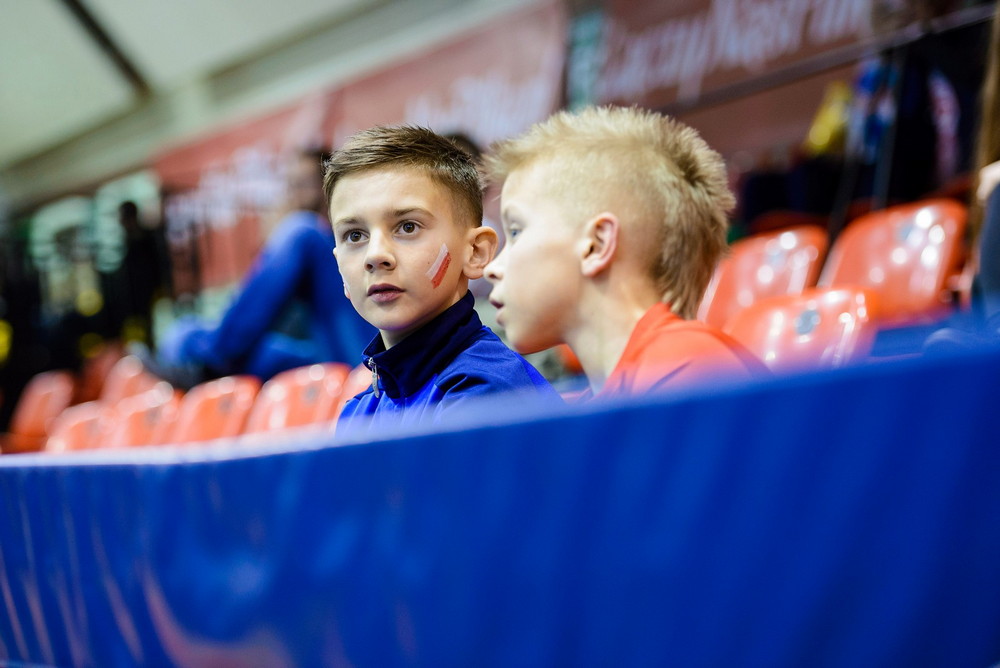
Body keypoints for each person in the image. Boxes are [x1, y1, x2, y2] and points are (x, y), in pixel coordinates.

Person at [483, 106, 767, 398]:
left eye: (515, 231)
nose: (491, 268)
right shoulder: (583, 406)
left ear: (596, 245)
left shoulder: (689, 366)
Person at [323, 125, 557, 432]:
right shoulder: (358, 414)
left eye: (407, 227)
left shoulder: (485, 394)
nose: (375, 255)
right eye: (355, 235)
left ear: (474, 252)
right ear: (340, 268)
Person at [144, 148, 376, 388]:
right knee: (182, 334)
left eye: (305, 184)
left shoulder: (334, 238)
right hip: (319, 353)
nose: (297, 195)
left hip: (360, 353)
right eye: (291, 186)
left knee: (301, 229)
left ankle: (215, 358)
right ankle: (213, 358)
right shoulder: (293, 248)